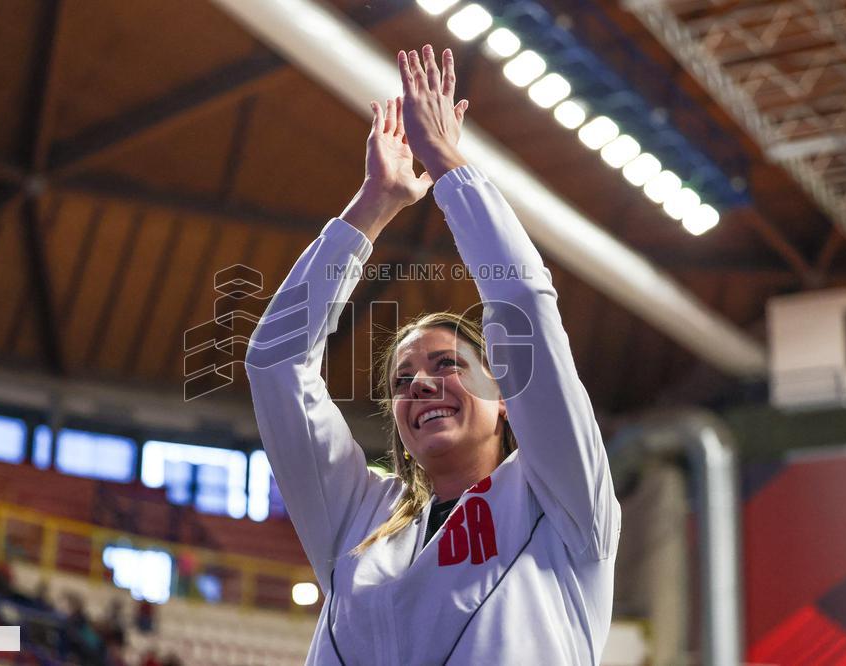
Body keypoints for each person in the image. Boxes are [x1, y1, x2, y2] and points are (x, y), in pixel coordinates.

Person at [245, 45, 620, 664]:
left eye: (448, 365)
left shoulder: (561, 496)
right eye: (402, 380)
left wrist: (448, 164)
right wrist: (373, 204)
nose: (419, 384)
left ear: (506, 394)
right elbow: (275, 363)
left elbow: (522, 299)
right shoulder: (356, 516)